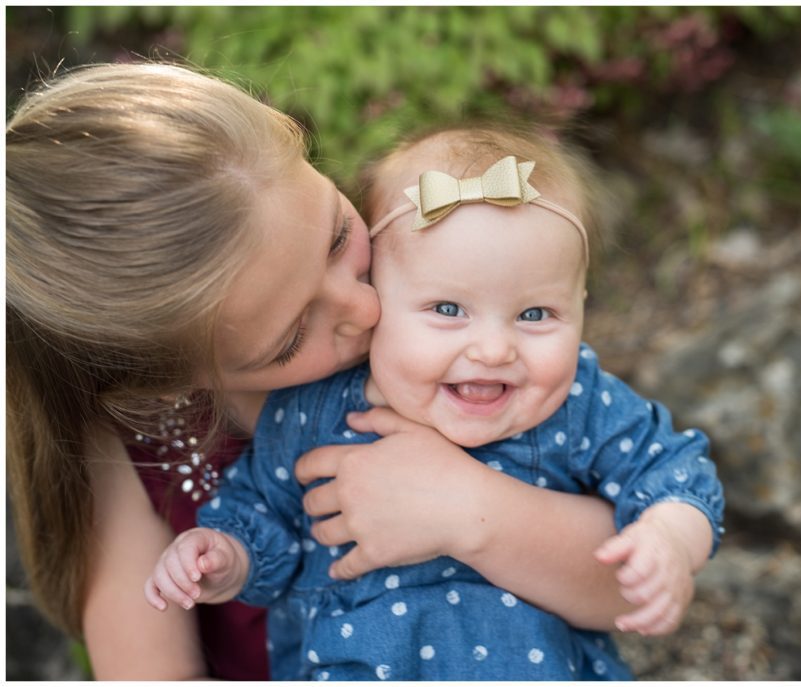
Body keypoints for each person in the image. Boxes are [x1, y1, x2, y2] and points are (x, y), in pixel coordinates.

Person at [6, 63, 658, 680]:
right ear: (169, 381)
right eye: (292, 336)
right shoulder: (136, 458)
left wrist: (472, 508)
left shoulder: (447, 301)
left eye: (340, 238)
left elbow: (631, 588)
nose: (366, 306)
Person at [145, 123, 725, 680]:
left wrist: (671, 535)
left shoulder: (577, 402)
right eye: (448, 310)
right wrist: (225, 554)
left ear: (581, 306)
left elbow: (673, 472)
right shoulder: (310, 413)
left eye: (535, 314)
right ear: (378, 300)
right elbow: (262, 516)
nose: (494, 349)